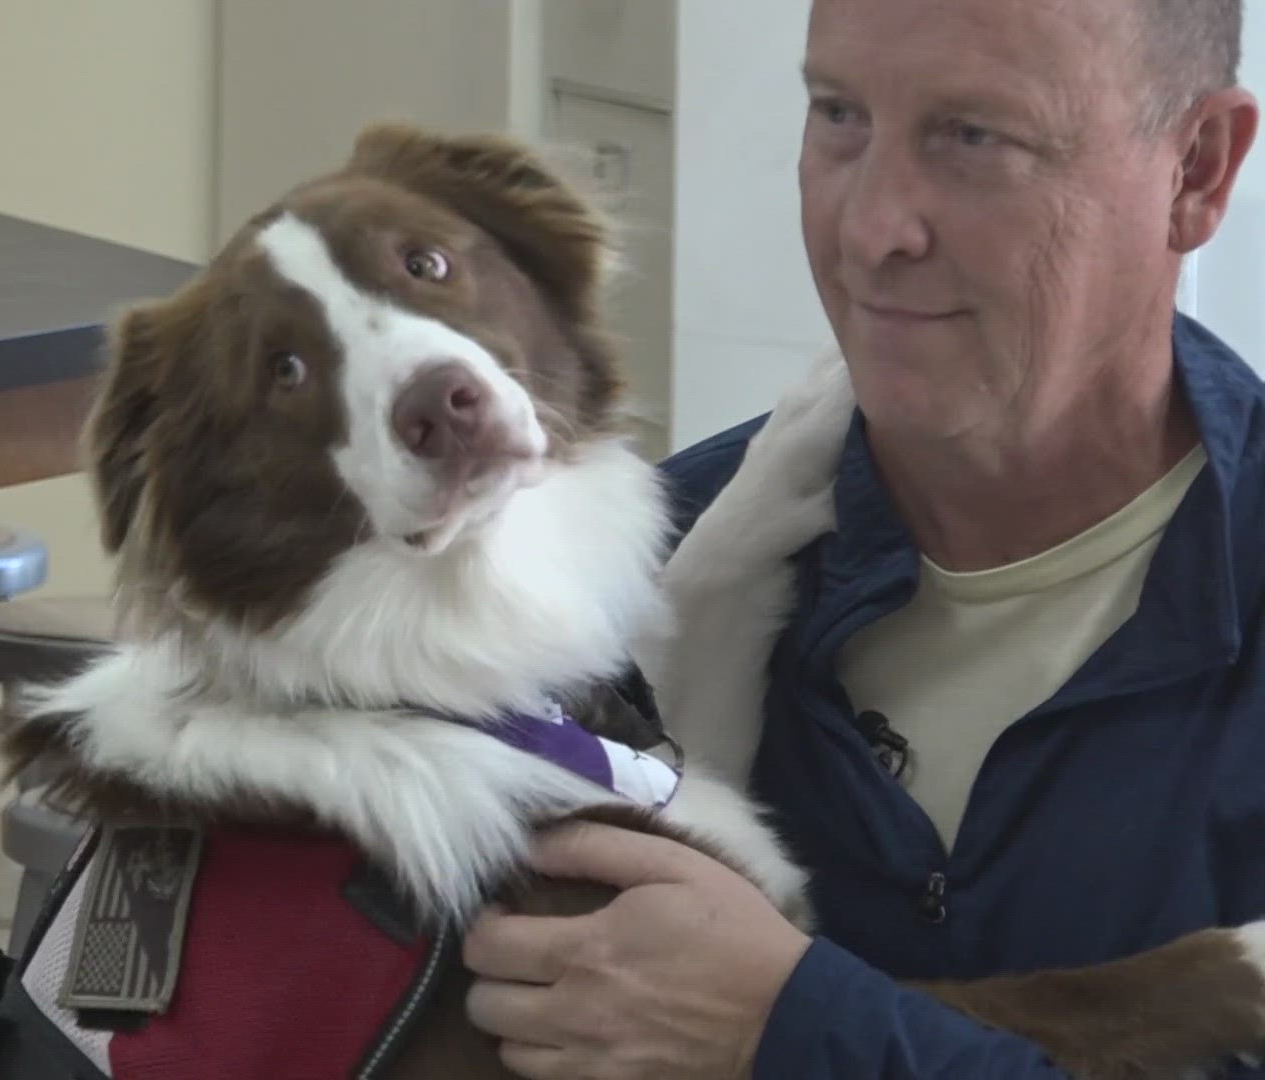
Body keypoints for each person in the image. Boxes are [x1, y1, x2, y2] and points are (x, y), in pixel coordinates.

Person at [461, 0, 1265, 1077]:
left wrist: (786, 1031)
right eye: (839, 115)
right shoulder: (628, 584)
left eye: (976, 138)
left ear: (1197, 172)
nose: (871, 230)